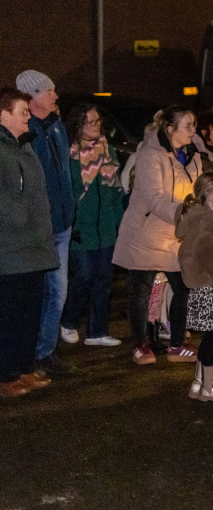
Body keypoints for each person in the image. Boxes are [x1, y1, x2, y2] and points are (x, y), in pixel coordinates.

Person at [113, 107, 202, 365]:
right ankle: (140, 344)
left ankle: (177, 344)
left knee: (182, 287)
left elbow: (197, 190)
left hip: (177, 233)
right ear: (170, 129)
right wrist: (185, 215)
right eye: (188, 126)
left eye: (194, 125)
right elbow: (154, 198)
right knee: (141, 288)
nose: (193, 130)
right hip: (146, 231)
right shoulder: (150, 155)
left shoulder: (194, 156)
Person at [0, 88, 59, 397]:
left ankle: (23, 368)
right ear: (3, 114)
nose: (28, 117)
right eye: (22, 112)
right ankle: (6, 375)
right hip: (10, 249)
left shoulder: (24, 146)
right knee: (9, 316)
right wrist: (19, 216)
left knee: (29, 313)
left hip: (33, 247)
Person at [16, 70, 76, 375]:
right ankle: (32, 355)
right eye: (49, 91)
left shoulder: (56, 126)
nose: (55, 96)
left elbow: (63, 172)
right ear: (32, 97)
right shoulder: (24, 133)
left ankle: (44, 352)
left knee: (57, 293)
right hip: (39, 228)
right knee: (42, 295)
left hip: (61, 225)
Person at [59, 102, 124, 347]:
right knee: (83, 276)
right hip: (81, 229)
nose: (96, 126)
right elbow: (67, 192)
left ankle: (97, 332)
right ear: (78, 125)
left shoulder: (108, 151)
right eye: (90, 122)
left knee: (103, 281)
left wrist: (118, 224)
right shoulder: (70, 154)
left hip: (105, 228)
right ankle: (68, 321)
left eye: (98, 121)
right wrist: (72, 221)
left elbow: (115, 191)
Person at [176, 173, 213, 403]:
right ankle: (210, 387)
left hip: (204, 287)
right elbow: (207, 255)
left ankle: (199, 382)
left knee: (210, 337)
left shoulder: (199, 218)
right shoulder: (209, 221)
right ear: (212, 198)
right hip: (211, 287)